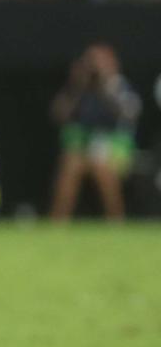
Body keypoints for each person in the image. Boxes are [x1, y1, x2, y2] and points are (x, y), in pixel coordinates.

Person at [49, 44, 139, 221]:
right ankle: (58, 222)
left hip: (116, 150)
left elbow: (130, 114)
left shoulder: (119, 86)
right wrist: (77, 86)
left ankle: (116, 221)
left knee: (101, 166)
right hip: (86, 149)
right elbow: (58, 114)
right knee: (71, 164)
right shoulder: (80, 88)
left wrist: (104, 84)